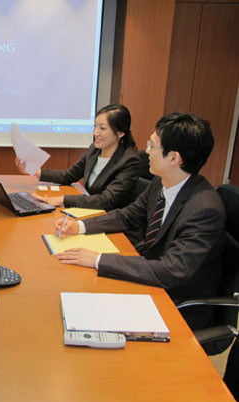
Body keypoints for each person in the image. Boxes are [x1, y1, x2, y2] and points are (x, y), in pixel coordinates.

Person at [54, 112, 225, 330]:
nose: (146, 153)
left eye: (152, 146)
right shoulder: (162, 183)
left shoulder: (204, 209)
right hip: (150, 279)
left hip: (175, 304)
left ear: (174, 158)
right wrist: (79, 226)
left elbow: (171, 270)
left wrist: (98, 259)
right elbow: (128, 215)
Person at [16, 104, 140, 210]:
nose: (95, 132)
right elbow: (69, 176)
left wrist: (63, 199)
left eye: (102, 128)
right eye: (95, 126)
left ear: (120, 133)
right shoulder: (95, 149)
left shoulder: (129, 161)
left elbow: (106, 200)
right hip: (89, 211)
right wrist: (35, 171)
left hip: (110, 219)